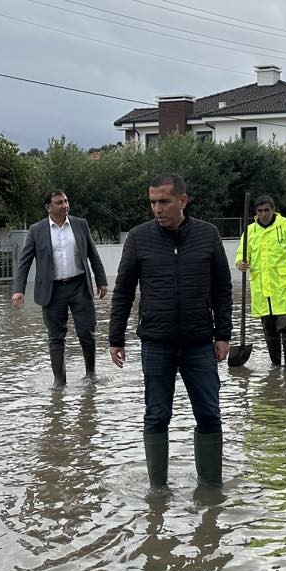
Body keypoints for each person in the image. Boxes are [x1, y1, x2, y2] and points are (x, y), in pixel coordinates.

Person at [109, 173, 233, 490]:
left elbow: (222, 288)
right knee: (156, 415)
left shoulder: (208, 235)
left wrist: (223, 334)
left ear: (182, 200)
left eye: (163, 201)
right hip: (156, 343)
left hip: (199, 343)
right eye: (152, 202)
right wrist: (116, 337)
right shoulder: (138, 238)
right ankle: (158, 491)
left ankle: (211, 489)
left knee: (209, 414)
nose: (157, 208)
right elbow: (123, 290)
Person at [11, 190, 108, 387]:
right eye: (59, 202)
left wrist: (101, 280)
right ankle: (59, 381)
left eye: (65, 201)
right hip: (53, 291)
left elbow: (92, 254)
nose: (64, 205)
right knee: (56, 337)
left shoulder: (80, 224)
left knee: (86, 332)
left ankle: (91, 374)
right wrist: (18, 289)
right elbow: (24, 262)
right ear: (48, 207)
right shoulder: (36, 230)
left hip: (80, 286)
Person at [236, 194, 286, 368]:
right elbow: (241, 255)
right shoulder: (250, 231)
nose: (264, 214)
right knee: (269, 330)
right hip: (261, 291)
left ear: (273, 209)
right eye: (260, 211)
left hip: (284, 289)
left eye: (267, 210)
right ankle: (275, 365)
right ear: (255, 213)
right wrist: (241, 263)